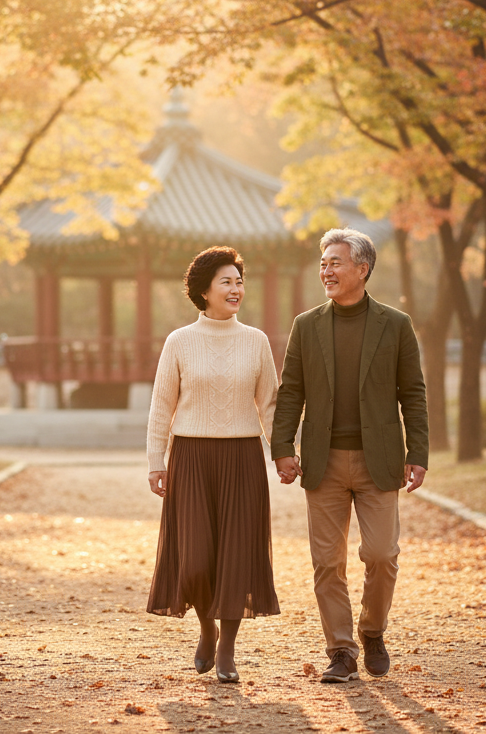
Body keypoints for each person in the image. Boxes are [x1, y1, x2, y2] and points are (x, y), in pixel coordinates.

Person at [271, 228, 428, 682]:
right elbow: (291, 391)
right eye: (323, 263)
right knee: (327, 561)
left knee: (381, 554)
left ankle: (373, 631)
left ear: (363, 268)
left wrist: (417, 451)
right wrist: (283, 448)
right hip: (323, 462)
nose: (326, 270)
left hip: (379, 460)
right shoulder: (306, 325)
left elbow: (412, 394)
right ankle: (341, 650)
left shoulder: (395, 324)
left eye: (335, 262)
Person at [145, 246, 281, 683]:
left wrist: (284, 452)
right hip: (191, 457)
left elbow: (271, 406)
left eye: (239, 281)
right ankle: (206, 627)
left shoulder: (256, 341)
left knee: (237, 557)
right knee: (197, 558)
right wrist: (155, 460)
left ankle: (227, 647)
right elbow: (161, 404)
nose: (236, 288)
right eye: (226, 281)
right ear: (203, 290)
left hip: (242, 458)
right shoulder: (179, 341)